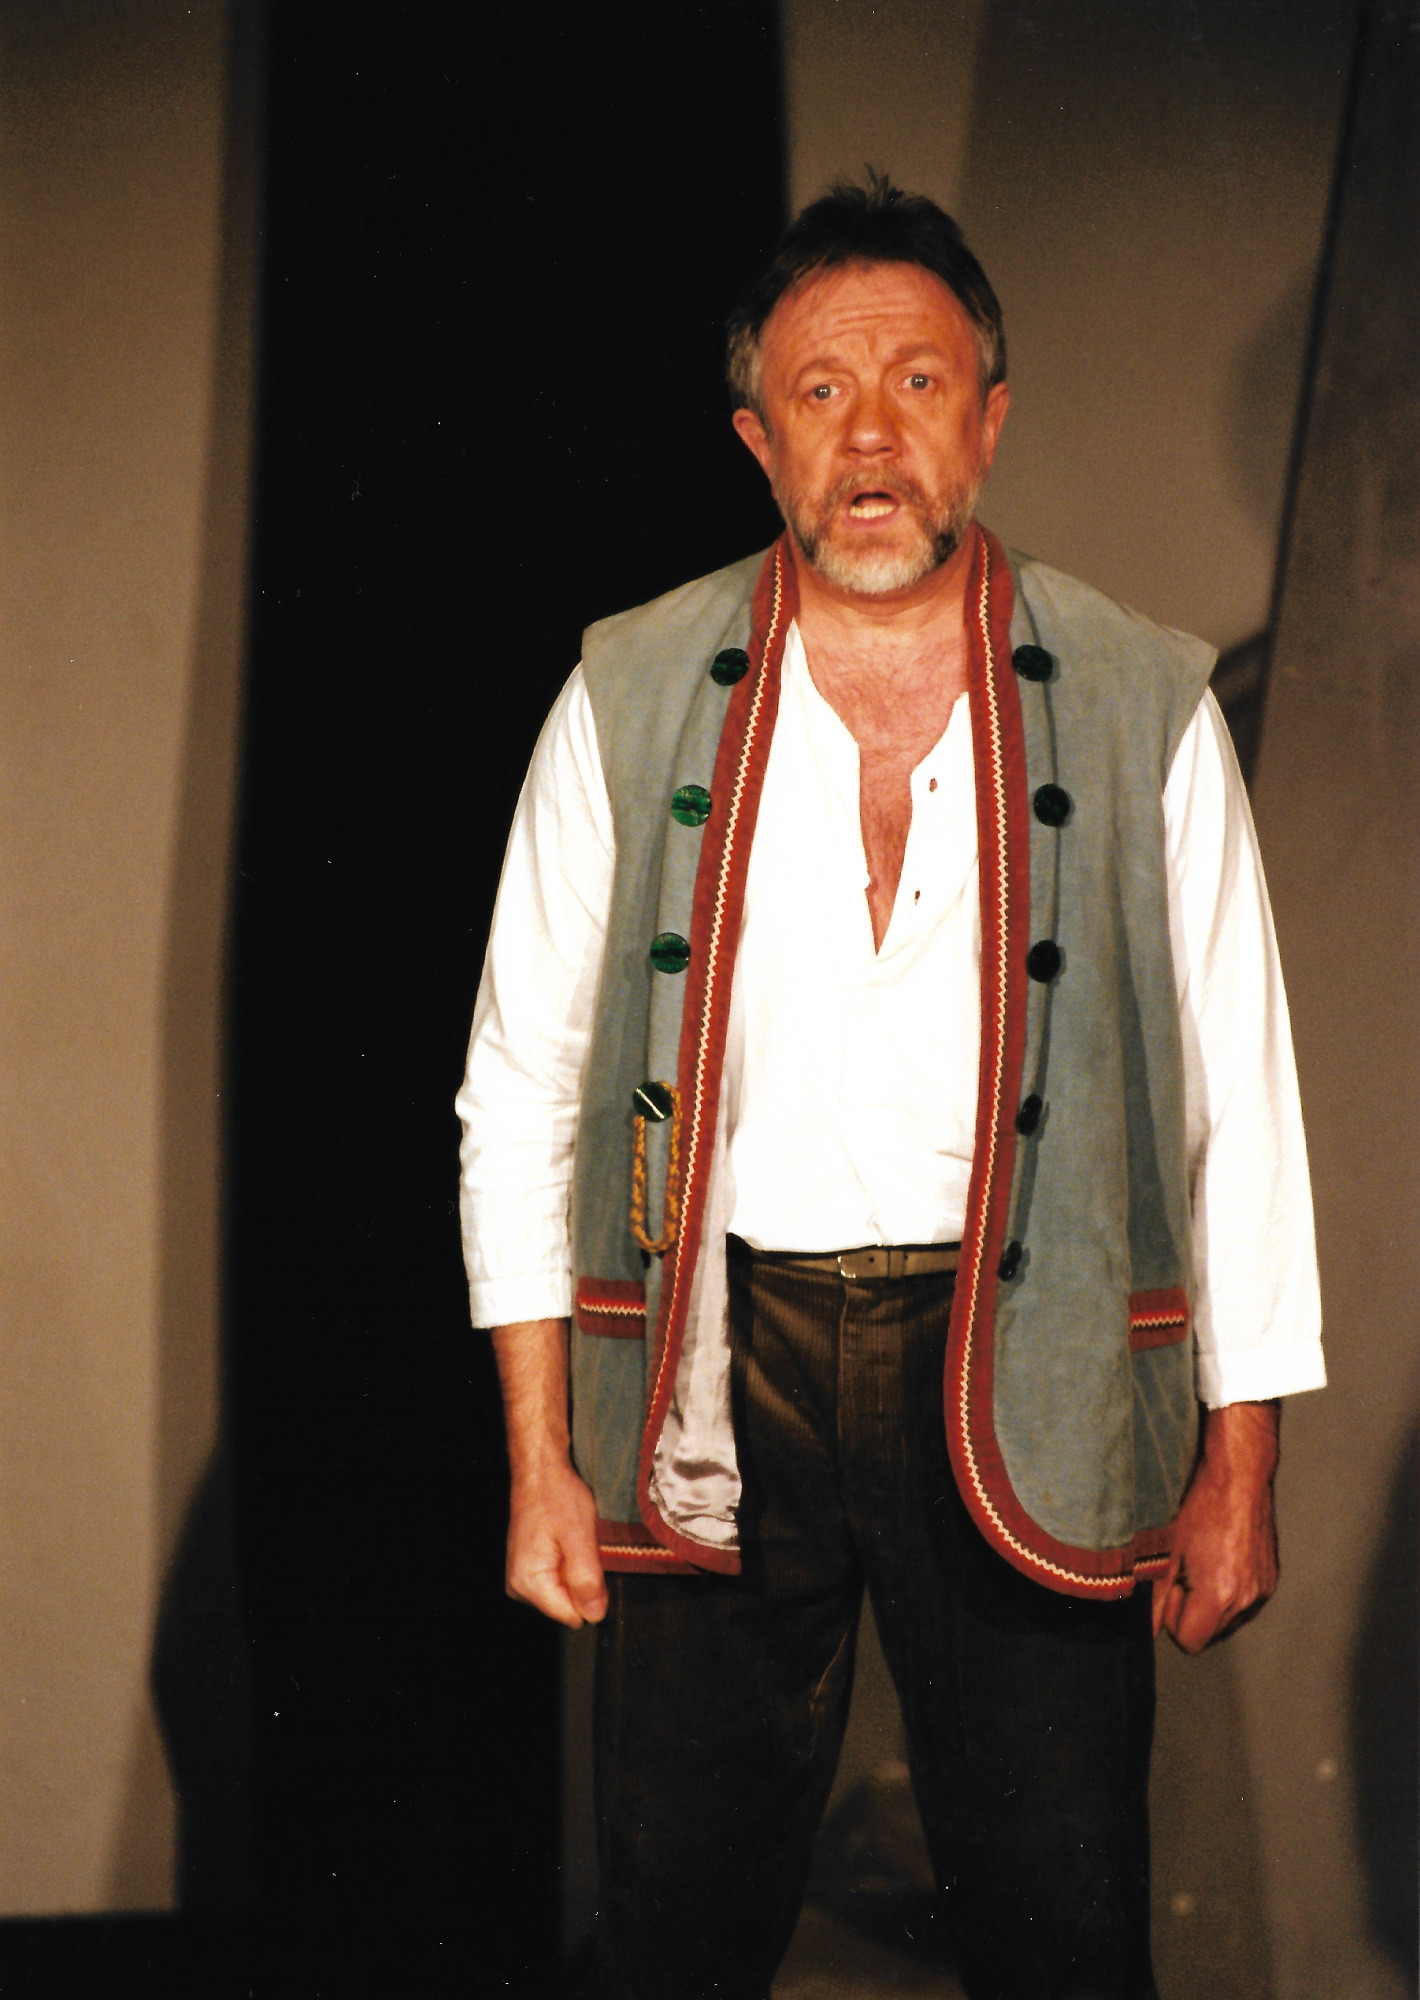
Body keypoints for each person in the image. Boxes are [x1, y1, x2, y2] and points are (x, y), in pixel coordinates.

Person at [457, 177, 1325, 2000]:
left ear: (988, 420)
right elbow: (521, 1082)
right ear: (759, 439)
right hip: (720, 1357)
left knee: (1063, 1929)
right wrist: (539, 1458)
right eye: (823, 392)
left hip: (1033, 1353)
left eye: (917, 383)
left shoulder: (1140, 696)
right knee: (675, 1932)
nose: (871, 437)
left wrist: (1240, 1459)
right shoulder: (626, 690)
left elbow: (1240, 1103)